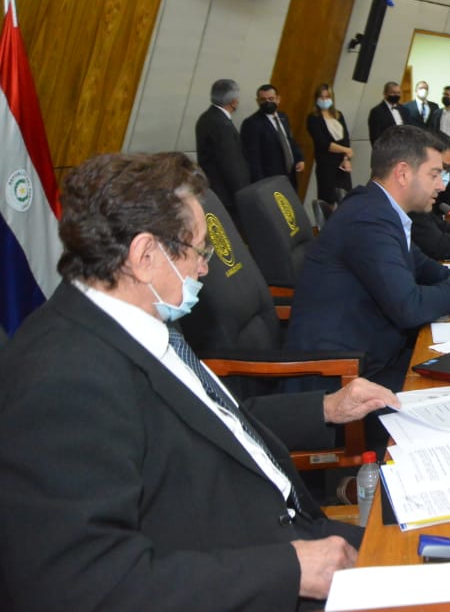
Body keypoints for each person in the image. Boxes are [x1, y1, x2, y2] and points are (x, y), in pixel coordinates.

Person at [0, 151, 399, 609]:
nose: (206, 268)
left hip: (293, 540)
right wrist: (290, 570)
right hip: (254, 580)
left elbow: (213, 425)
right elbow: (83, 586)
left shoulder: (141, 321)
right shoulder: (61, 381)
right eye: (199, 249)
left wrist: (327, 407)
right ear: (145, 256)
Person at [286, 127, 450, 392]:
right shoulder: (368, 219)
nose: (441, 185)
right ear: (403, 173)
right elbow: (409, 308)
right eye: (434, 174)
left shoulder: (379, 208)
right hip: (344, 377)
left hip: (375, 356)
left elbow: (420, 264)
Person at [194, 78, 250, 219]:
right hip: (226, 194)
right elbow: (231, 163)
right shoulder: (222, 125)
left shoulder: (206, 117)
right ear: (233, 101)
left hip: (213, 188)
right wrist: (243, 193)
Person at [240, 83, 305, 188]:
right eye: (263, 100)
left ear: (278, 99)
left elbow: (289, 140)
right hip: (269, 180)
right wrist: (260, 185)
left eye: (271, 98)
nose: (267, 102)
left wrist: (299, 158)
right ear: (258, 101)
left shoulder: (283, 117)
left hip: (290, 176)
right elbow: (253, 158)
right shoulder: (252, 123)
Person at [306, 83, 354, 206]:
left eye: (327, 97)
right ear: (316, 99)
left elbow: (346, 138)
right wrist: (346, 149)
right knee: (328, 201)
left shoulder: (338, 115)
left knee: (346, 201)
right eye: (321, 97)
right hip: (326, 166)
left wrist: (346, 158)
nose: (325, 100)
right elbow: (323, 143)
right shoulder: (313, 118)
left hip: (342, 165)